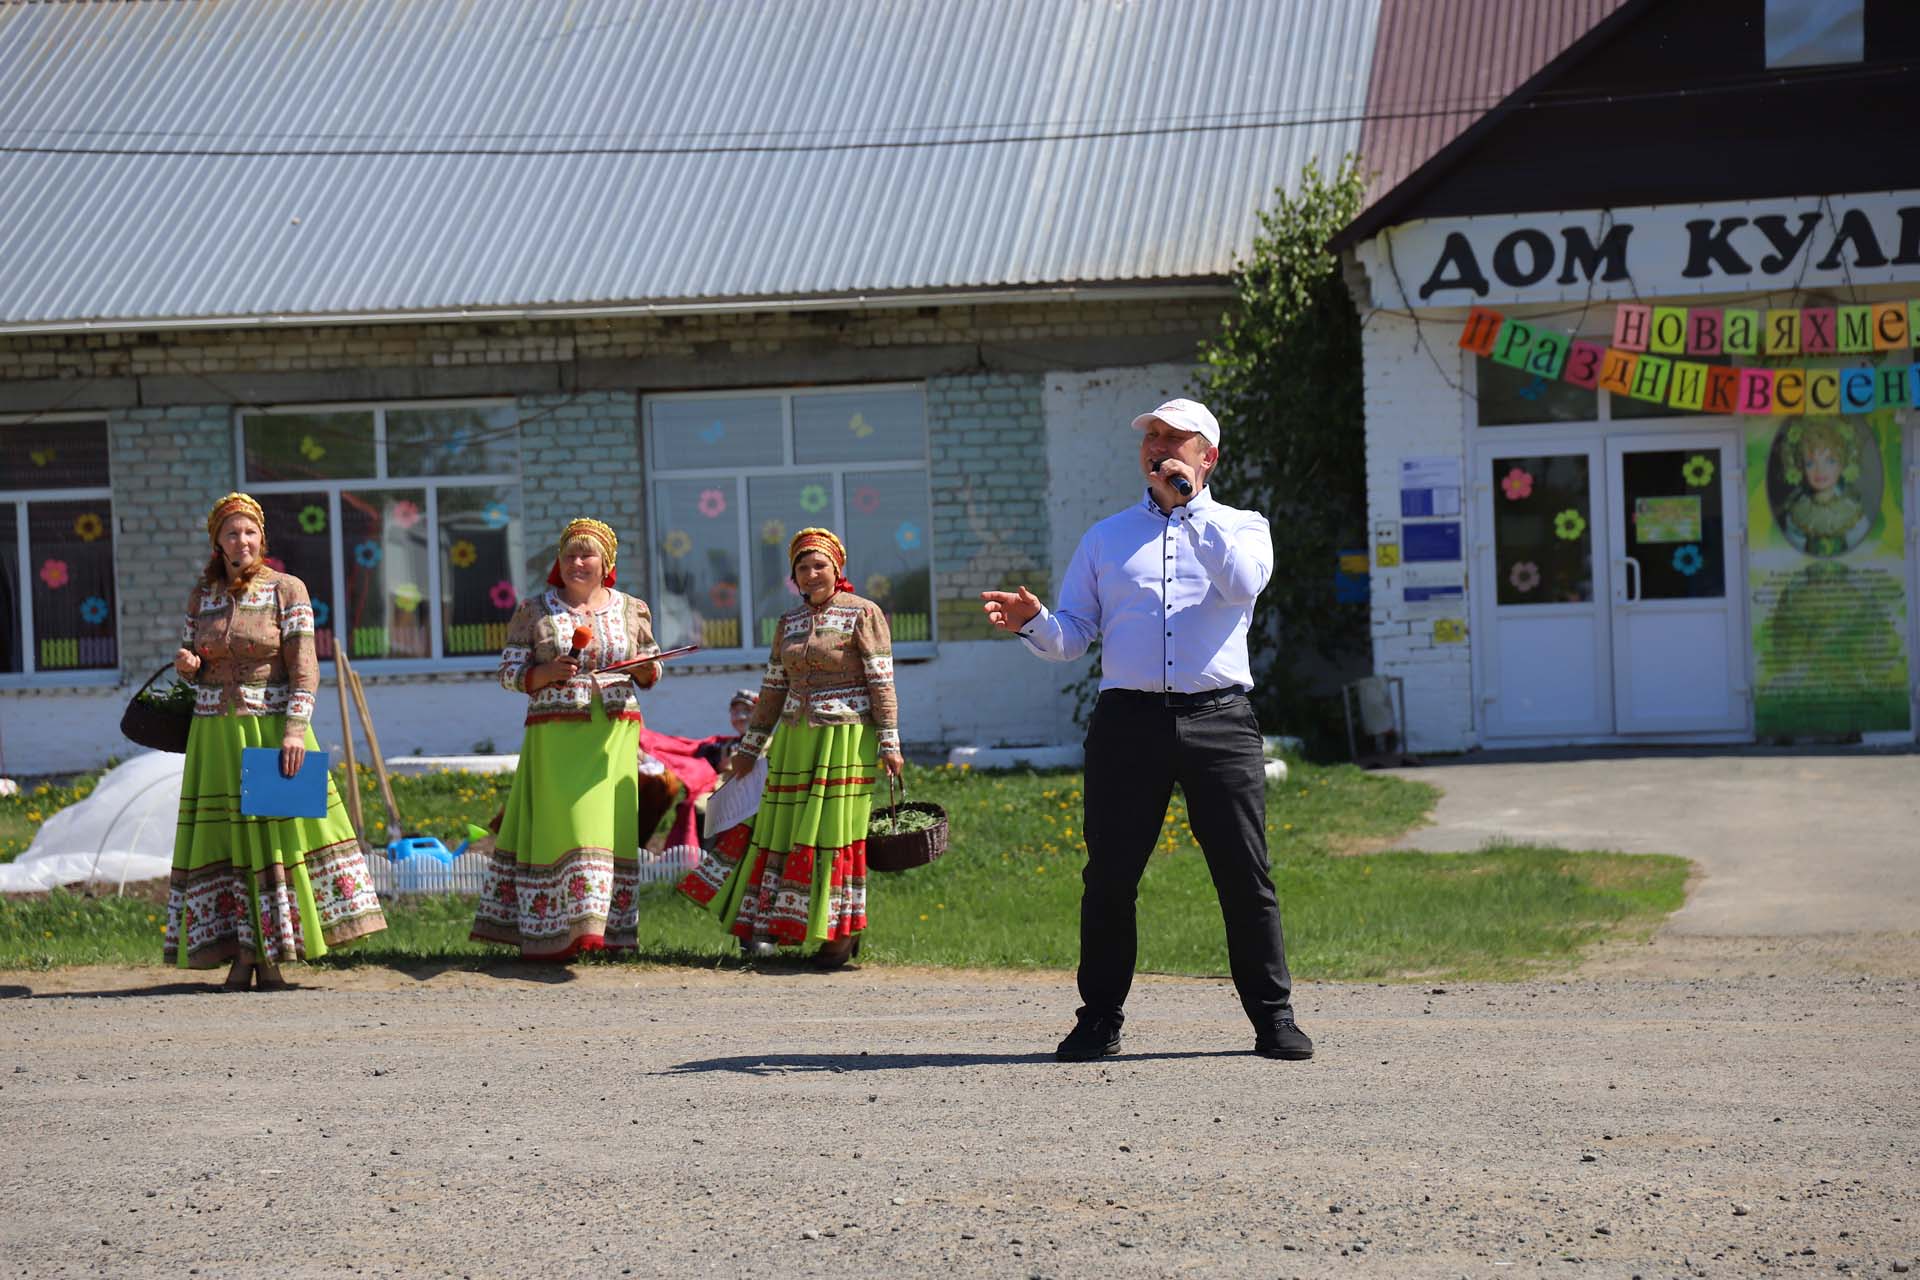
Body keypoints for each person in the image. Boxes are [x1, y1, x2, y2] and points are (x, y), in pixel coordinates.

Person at [980, 398, 1313, 1062]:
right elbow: (1072, 638)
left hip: (1219, 719)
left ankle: (1273, 1018)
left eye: (1173, 438)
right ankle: (1098, 1020)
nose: (1157, 446)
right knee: (1109, 878)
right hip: (1127, 723)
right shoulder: (1105, 538)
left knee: (1245, 877)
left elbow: (1244, 582)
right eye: (1150, 438)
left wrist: (1189, 509)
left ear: (1206, 456)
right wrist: (1034, 621)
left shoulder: (1245, 527)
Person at [166, 492, 387, 989]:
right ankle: (242, 955)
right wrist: (189, 668)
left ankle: (271, 955)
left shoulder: (288, 590)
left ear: (261, 538)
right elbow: (194, 670)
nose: (240, 540)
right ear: (217, 543)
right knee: (230, 841)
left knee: (274, 840)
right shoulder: (202, 596)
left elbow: (305, 670)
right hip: (214, 736)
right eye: (230, 533)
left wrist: (293, 730)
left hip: (270, 731)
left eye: (249, 532)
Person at [678, 528, 903, 967]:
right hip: (794, 741)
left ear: (837, 570)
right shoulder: (789, 623)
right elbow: (773, 687)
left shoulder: (864, 613)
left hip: (844, 740)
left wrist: (889, 742)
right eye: (802, 566)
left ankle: (839, 933)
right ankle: (785, 925)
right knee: (785, 831)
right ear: (794, 577)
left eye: (819, 565)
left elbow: (881, 681)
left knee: (832, 833)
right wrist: (750, 747)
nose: (811, 573)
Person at [471, 518, 662, 959]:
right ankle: (554, 932)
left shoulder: (632, 609)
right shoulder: (534, 610)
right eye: (570, 554)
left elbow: (653, 665)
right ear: (559, 561)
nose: (578, 562)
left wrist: (642, 666)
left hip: (613, 735)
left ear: (606, 562)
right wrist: (544, 673)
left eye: (587, 554)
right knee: (568, 828)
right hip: (555, 736)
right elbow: (507, 673)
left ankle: (604, 934)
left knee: (606, 828)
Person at [1777, 420, 1871, 558]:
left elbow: (1864, 553)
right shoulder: (1799, 512)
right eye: (1810, 463)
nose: (1820, 470)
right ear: (1801, 467)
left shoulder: (1851, 511)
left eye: (1830, 461)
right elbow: (1791, 555)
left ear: (1842, 465)